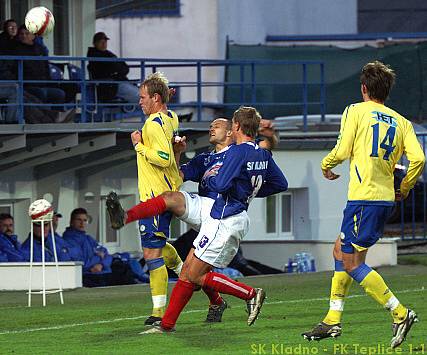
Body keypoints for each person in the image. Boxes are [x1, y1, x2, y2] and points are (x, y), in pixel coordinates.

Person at [107, 106, 288, 333]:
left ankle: (250, 294)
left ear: (235, 128)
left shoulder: (236, 152)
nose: (212, 127)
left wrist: (221, 185)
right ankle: (166, 325)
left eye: (222, 124)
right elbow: (280, 183)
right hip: (220, 214)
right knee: (188, 271)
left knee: (194, 274)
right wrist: (248, 190)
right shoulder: (256, 154)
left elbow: (221, 184)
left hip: (224, 216)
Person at [301, 61, 425, 349]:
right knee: (340, 250)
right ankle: (332, 320)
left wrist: (326, 164)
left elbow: (343, 149)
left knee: (352, 262)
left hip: (363, 198)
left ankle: (400, 313)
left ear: (364, 88)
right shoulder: (402, 122)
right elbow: (418, 159)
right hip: (381, 199)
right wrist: (404, 188)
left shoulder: (355, 110)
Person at [63, 208, 135, 287]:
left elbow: (106, 254)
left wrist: (101, 264)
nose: (82, 223)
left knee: (125, 268)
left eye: (84, 220)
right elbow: (81, 263)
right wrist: (98, 257)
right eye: (79, 220)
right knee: (125, 275)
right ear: (71, 222)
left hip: (102, 272)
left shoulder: (88, 238)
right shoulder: (68, 240)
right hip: (88, 275)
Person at [87, 32, 139, 103]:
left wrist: (117, 71)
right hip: (109, 86)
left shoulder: (108, 54)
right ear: (94, 43)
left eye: (105, 42)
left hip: (117, 83)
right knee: (142, 97)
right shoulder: (94, 55)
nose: (104, 44)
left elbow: (125, 67)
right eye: (101, 42)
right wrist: (117, 71)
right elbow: (110, 68)